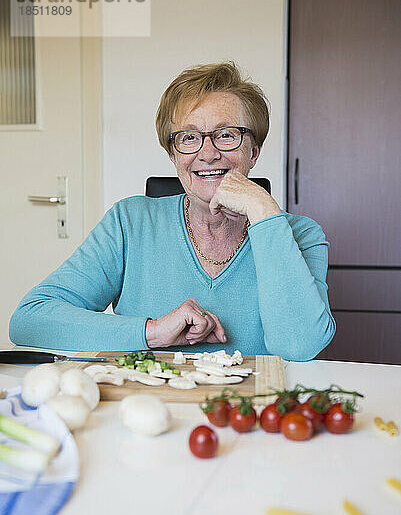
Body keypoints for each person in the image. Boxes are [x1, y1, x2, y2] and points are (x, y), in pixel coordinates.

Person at [10, 62, 335, 360]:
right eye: (189, 137)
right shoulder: (129, 223)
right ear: (173, 155)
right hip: (148, 408)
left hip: (252, 416)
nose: (207, 153)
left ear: (254, 151)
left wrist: (265, 212)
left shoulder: (300, 234)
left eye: (226, 135)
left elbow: (300, 346)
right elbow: (30, 320)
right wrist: (152, 332)